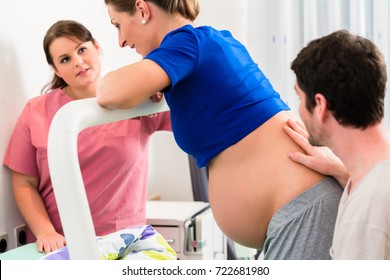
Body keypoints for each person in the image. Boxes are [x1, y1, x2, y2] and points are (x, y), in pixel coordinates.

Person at [96, 0, 343, 259]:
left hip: (304, 214)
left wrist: (146, 78)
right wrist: (155, 79)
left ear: (142, 10)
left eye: (118, 25)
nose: (121, 41)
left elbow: (108, 91)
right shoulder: (208, 44)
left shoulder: (188, 43)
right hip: (298, 215)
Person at [3, 20, 171, 255]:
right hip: (61, 243)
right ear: (56, 70)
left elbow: (193, 122)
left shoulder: (135, 97)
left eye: (82, 49)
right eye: (65, 59)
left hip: (125, 241)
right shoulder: (36, 112)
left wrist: (166, 88)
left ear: (96, 47)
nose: (78, 62)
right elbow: (23, 183)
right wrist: (45, 232)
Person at [286, 29, 390, 259]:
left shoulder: (367, 215)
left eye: (300, 99)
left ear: (320, 105)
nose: (299, 110)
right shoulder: (371, 175)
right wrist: (339, 169)